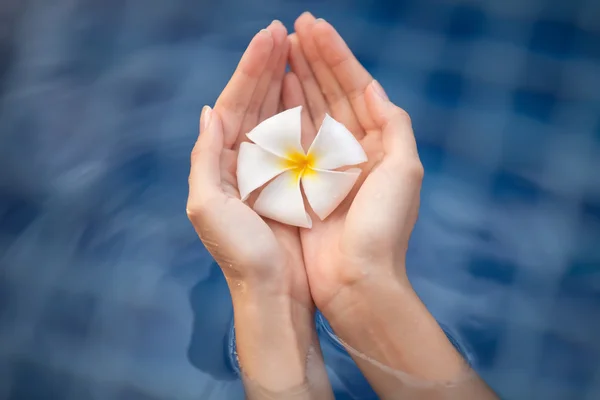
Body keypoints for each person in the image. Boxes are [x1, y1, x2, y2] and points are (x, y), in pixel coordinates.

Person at [187, 12, 498, 400]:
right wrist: (354, 285)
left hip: (302, 172)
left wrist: (270, 291)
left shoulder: (299, 171)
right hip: (304, 171)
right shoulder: (312, 167)